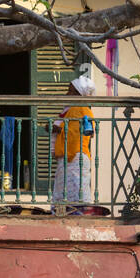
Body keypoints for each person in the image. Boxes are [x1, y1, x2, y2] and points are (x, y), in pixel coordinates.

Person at [52, 74, 96, 211]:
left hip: (75, 156)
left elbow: (74, 133)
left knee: (77, 194)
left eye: (70, 90)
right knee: (69, 193)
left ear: (78, 93)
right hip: (70, 157)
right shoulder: (72, 110)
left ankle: (76, 217)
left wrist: (57, 129)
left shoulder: (80, 109)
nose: (67, 93)